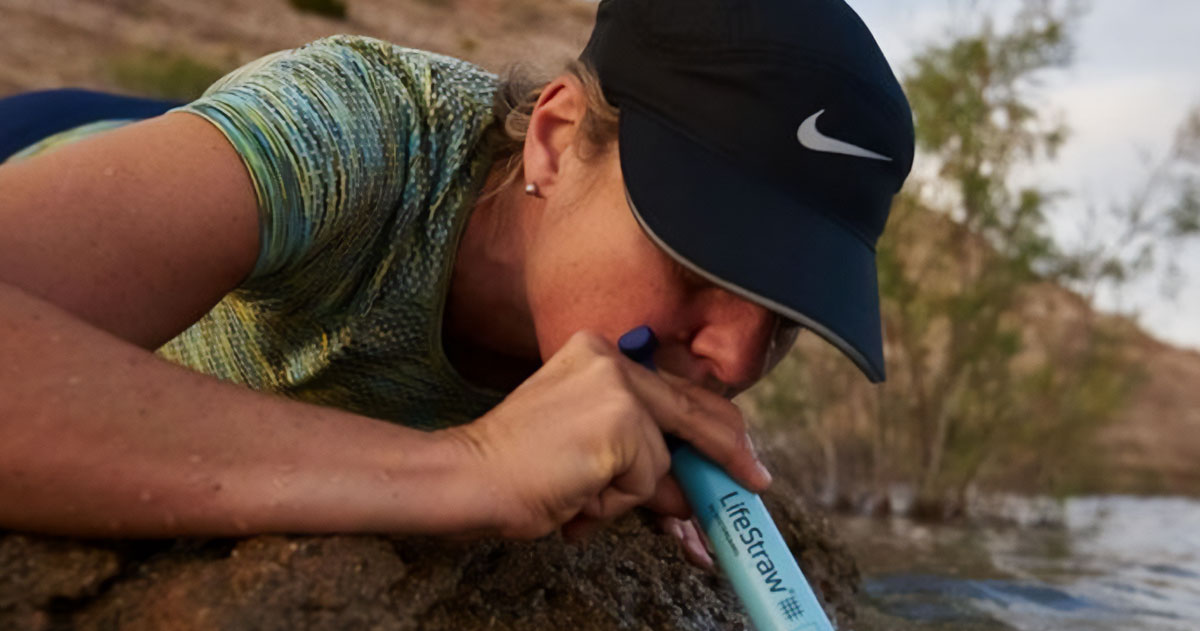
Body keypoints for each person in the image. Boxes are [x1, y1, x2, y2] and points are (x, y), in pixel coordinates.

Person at [0, 0, 913, 569]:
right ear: (555, 140)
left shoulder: (624, 336)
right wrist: (469, 466)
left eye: (790, 309)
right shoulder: (351, 139)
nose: (740, 355)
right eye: (708, 256)